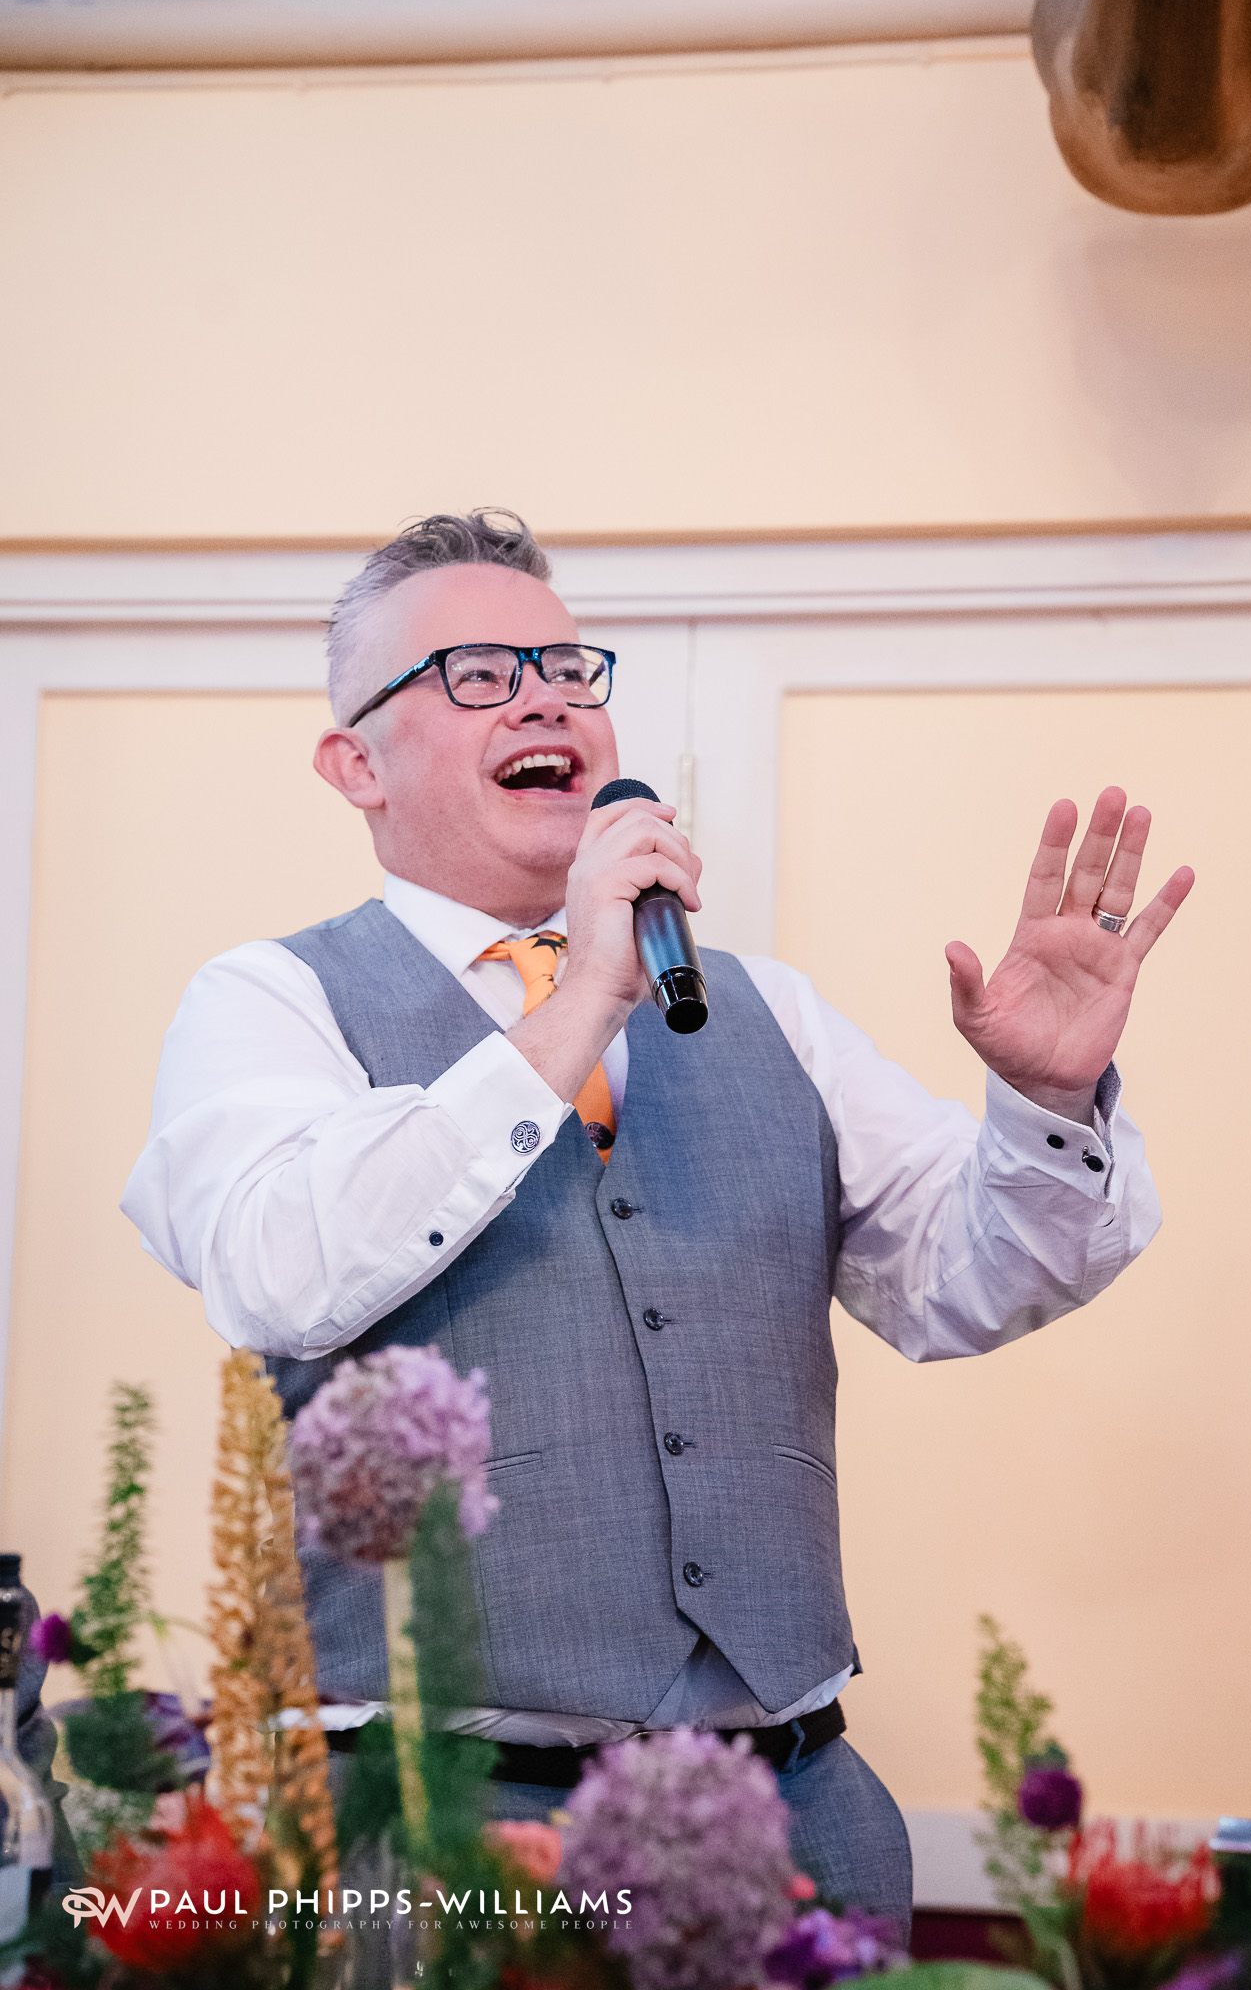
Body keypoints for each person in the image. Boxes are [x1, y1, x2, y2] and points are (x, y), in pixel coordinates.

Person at [122, 510, 1193, 1932]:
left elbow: (966, 1285)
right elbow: (277, 1273)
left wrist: (1049, 1103)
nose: (550, 696)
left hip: (791, 1811)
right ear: (355, 763)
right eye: (479, 674)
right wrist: (576, 1003)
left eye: (568, 666)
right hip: (450, 1836)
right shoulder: (268, 1003)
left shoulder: (769, 1011)